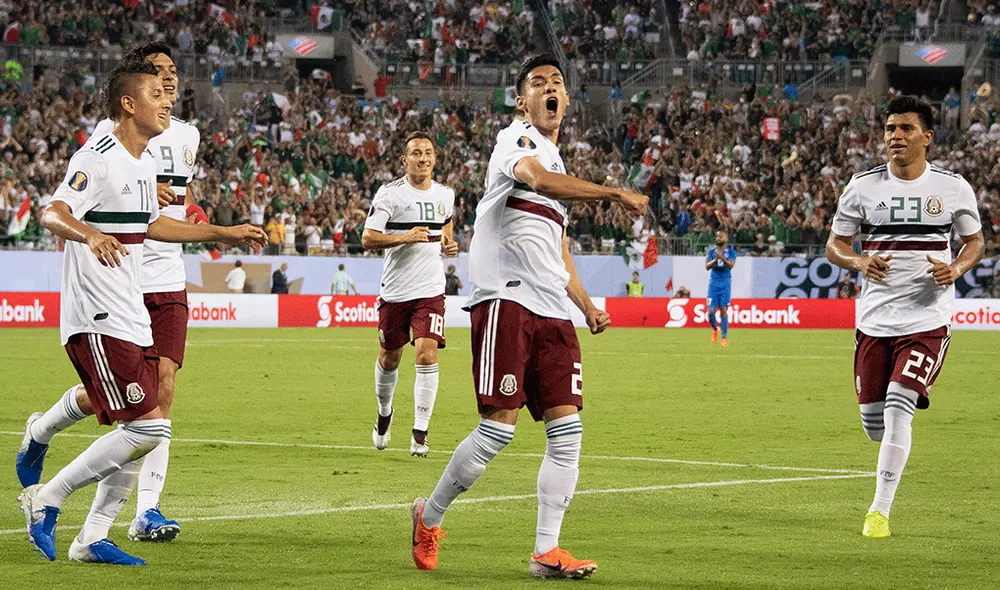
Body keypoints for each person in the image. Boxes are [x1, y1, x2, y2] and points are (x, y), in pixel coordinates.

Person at [17, 57, 267, 566]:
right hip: (96, 315)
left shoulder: (144, 161)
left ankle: (89, 539)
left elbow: (154, 226)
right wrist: (90, 233)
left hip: (130, 310)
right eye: (157, 94)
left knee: (144, 428)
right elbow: (53, 211)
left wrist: (222, 232)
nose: (168, 102)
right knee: (150, 428)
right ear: (129, 104)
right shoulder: (99, 155)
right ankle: (47, 500)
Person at [409, 55, 648, 580]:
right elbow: (536, 180)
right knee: (498, 431)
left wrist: (586, 307)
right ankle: (429, 516)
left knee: (569, 431)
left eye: (557, 82)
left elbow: (558, 250)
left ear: (566, 99)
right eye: (537, 83)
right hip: (506, 300)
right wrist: (613, 191)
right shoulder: (515, 141)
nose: (549, 88)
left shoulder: (558, 163)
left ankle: (546, 551)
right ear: (523, 101)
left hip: (554, 308)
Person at [826, 95, 984, 539]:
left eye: (906, 129)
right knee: (874, 424)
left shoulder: (953, 187)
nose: (896, 136)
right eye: (890, 129)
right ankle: (893, 451)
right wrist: (857, 263)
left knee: (899, 408)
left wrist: (955, 268)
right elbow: (834, 245)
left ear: (927, 138)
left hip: (927, 320)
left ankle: (879, 512)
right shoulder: (862, 186)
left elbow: (975, 244)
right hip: (875, 320)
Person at [361, 131, 459, 457]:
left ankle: (420, 432)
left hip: (430, 290)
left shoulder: (446, 194)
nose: (424, 157)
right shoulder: (389, 194)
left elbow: (446, 226)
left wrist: (449, 241)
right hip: (395, 290)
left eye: (429, 152)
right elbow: (368, 238)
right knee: (390, 359)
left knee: (427, 355)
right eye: (416, 153)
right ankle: (384, 413)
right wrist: (404, 238)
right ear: (405, 160)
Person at [705, 230, 736, 346]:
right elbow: (707, 267)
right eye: (717, 236)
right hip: (713, 284)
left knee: (723, 309)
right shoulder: (711, 252)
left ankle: (724, 337)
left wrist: (722, 259)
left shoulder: (731, 252)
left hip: (725, 284)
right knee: (710, 311)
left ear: (726, 238)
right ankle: (715, 330)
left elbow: (731, 265)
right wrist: (715, 259)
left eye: (721, 236)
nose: (718, 238)